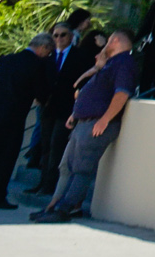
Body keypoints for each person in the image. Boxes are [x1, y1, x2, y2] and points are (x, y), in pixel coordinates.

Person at [32, 30, 136, 223]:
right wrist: (75, 114)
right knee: (66, 166)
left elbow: (121, 94)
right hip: (83, 122)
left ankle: (65, 208)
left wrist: (105, 120)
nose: (104, 46)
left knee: (82, 169)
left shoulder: (124, 63)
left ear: (114, 41)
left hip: (96, 124)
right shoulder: (110, 64)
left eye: (108, 42)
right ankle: (53, 205)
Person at [0, 34, 53, 209]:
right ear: (43, 48)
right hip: (12, 119)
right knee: (5, 160)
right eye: (48, 51)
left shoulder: (6, 60)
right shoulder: (36, 65)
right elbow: (41, 94)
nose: (48, 55)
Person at [31, 21, 82, 184]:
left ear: (71, 36)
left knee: (57, 145)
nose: (59, 38)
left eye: (63, 35)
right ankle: (43, 182)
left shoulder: (79, 56)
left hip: (66, 109)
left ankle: (51, 184)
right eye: (55, 35)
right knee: (45, 145)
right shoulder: (48, 56)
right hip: (47, 108)